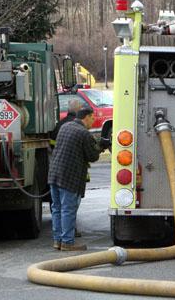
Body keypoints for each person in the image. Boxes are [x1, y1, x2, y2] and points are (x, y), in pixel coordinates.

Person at [48, 107, 105, 251]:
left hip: (54, 174)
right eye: (92, 118)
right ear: (86, 117)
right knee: (68, 209)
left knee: (57, 209)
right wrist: (101, 147)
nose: (93, 121)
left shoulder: (65, 127)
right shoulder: (83, 133)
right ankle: (67, 242)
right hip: (69, 177)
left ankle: (58, 240)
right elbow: (92, 156)